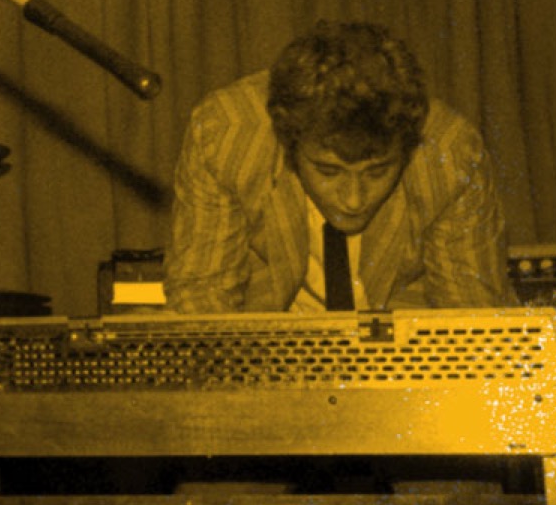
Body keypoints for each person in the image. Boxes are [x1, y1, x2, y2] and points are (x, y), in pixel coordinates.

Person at [165, 20, 511, 313]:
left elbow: (471, 318)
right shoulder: (225, 135)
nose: (353, 200)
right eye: (328, 172)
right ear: (289, 145)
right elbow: (202, 302)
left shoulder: (451, 155)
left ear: (406, 152)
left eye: (377, 172)